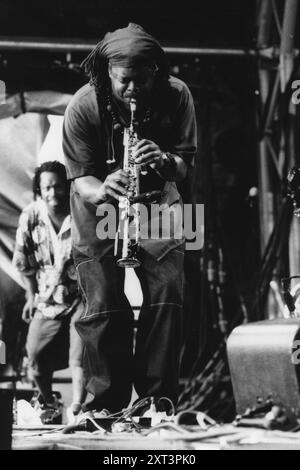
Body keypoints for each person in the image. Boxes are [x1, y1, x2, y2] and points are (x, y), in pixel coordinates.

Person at [62, 23, 197, 416]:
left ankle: (157, 402)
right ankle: (105, 403)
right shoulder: (83, 105)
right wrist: (105, 188)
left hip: (158, 201)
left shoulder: (178, 95)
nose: (133, 90)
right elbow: (81, 181)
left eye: (141, 80)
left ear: (156, 70)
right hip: (98, 204)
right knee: (103, 300)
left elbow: (185, 169)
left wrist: (166, 161)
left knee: (168, 293)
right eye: (124, 82)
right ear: (108, 74)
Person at [13, 161, 85, 423]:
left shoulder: (80, 211)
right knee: (35, 353)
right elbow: (23, 261)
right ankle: (49, 402)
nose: (53, 192)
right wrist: (30, 296)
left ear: (66, 187)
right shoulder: (30, 215)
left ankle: (77, 407)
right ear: (39, 190)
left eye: (57, 186)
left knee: (80, 352)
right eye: (47, 187)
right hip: (46, 298)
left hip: (81, 296)